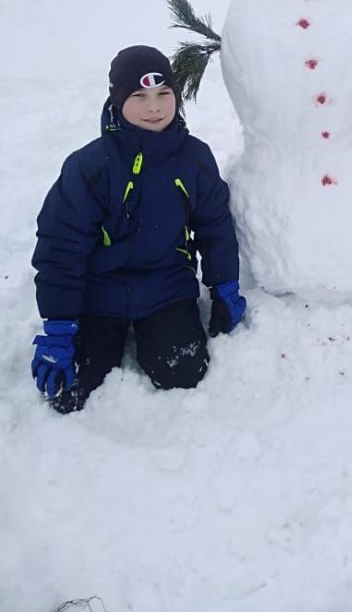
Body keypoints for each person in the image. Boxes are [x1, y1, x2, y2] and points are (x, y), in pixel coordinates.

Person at [31, 45, 245, 413]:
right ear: (117, 100)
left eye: (164, 94)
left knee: (181, 373)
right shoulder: (91, 167)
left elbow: (214, 226)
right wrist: (59, 325)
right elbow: (60, 247)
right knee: (73, 391)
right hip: (98, 293)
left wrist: (224, 284)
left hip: (166, 288)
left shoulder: (194, 158)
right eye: (139, 96)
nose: (154, 107)